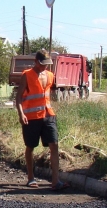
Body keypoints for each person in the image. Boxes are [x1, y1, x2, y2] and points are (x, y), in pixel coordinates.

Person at [15, 49, 68, 190]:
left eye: (47, 64)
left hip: (48, 115)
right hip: (31, 117)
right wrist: (21, 114)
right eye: (43, 64)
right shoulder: (27, 75)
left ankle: (56, 181)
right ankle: (31, 178)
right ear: (36, 62)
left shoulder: (50, 76)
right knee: (30, 147)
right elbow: (19, 97)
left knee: (54, 144)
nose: (45, 66)